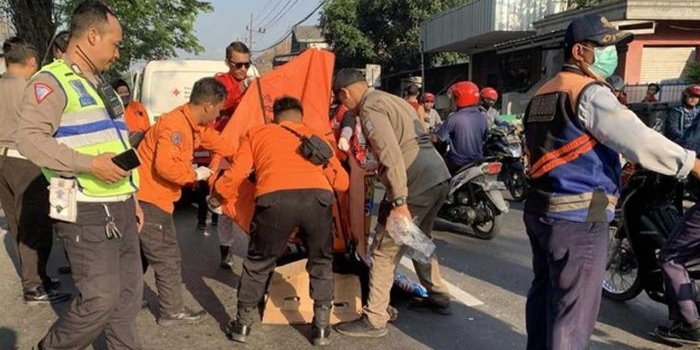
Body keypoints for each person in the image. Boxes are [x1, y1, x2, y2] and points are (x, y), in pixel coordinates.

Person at [522, 13, 700, 350]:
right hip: (583, 214)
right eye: (604, 47)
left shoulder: (542, 93)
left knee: (545, 296)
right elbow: (640, 140)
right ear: (579, 51)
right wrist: (692, 164)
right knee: (573, 312)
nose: (612, 54)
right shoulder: (590, 93)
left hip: (541, 210)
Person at [17, 1, 145, 349]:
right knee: (100, 300)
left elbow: (112, 141)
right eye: (115, 43)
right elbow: (29, 139)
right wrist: (90, 165)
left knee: (127, 298)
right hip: (87, 208)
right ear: (92, 36)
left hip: (119, 203)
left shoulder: (99, 84)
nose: (117, 53)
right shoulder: (51, 82)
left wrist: (130, 197)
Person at [212, 96, 349, 346]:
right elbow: (342, 183)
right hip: (317, 201)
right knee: (321, 261)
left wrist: (218, 193)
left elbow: (237, 173)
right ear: (301, 116)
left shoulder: (258, 133)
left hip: (274, 201)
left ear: (274, 117)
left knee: (258, 263)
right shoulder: (316, 137)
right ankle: (320, 328)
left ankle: (242, 325)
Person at [332, 68, 452, 338]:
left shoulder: (371, 108)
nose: (345, 106)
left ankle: (374, 318)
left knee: (384, 251)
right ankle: (439, 294)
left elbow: (391, 154)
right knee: (417, 238)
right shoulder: (393, 99)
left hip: (413, 182)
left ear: (345, 93)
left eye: (342, 100)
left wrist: (398, 200)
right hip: (437, 175)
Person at [136, 77, 235, 326]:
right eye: (219, 109)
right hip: (151, 199)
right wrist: (195, 174)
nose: (218, 115)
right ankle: (171, 311)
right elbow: (165, 166)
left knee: (140, 255)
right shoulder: (176, 127)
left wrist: (247, 146)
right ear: (207, 105)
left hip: (152, 198)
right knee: (167, 258)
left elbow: (218, 142)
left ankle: (129, 299)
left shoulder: (192, 125)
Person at [0, 37, 70, 305]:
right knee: (35, 224)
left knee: (17, 224)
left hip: (2, 162)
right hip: (25, 162)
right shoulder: (30, 89)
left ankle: (37, 277)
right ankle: (33, 287)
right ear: (31, 62)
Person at [434, 81, 489, 174]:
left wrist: (426, 136)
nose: (452, 100)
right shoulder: (482, 117)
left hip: (458, 163)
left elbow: (438, 139)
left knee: (437, 166)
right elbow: (485, 137)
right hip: (478, 160)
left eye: (454, 97)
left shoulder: (453, 118)